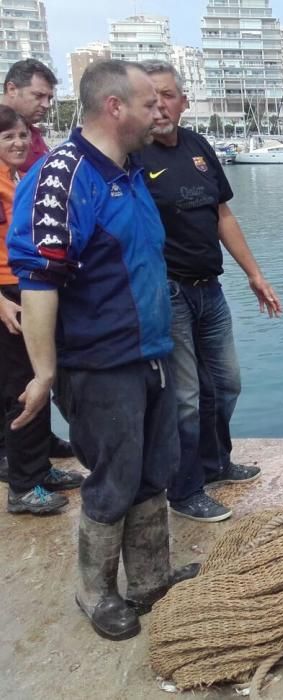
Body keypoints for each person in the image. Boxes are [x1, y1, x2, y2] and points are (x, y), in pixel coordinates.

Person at [7, 60, 195, 640]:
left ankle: (148, 579)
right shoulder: (59, 180)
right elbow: (38, 281)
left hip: (151, 352)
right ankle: (97, 592)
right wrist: (43, 374)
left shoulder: (130, 169)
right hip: (98, 362)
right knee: (112, 477)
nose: (159, 110)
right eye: (147, 103)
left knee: (152, 470)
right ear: (115, 108)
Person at [138, 60, 282, 523]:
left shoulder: (199, 147)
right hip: (169, 291)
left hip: (210, 289)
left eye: (167, 95)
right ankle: (184, 489)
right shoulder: (134, 156)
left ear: (183, 101)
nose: (159, 105)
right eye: (150, 97)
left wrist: (254, 274)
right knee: (184, 396)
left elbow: (223, 216)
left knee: (224, 384)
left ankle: (215, 462)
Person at [0, 58, 80, 492]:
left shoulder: (22, 165)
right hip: (11, 288)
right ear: (11, 89)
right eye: (39, 95)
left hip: (26, 279)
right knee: (21, 381)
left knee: (32, 373)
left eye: (50, 96)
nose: (46, 104)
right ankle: (25, 479)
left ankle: (35, 457)